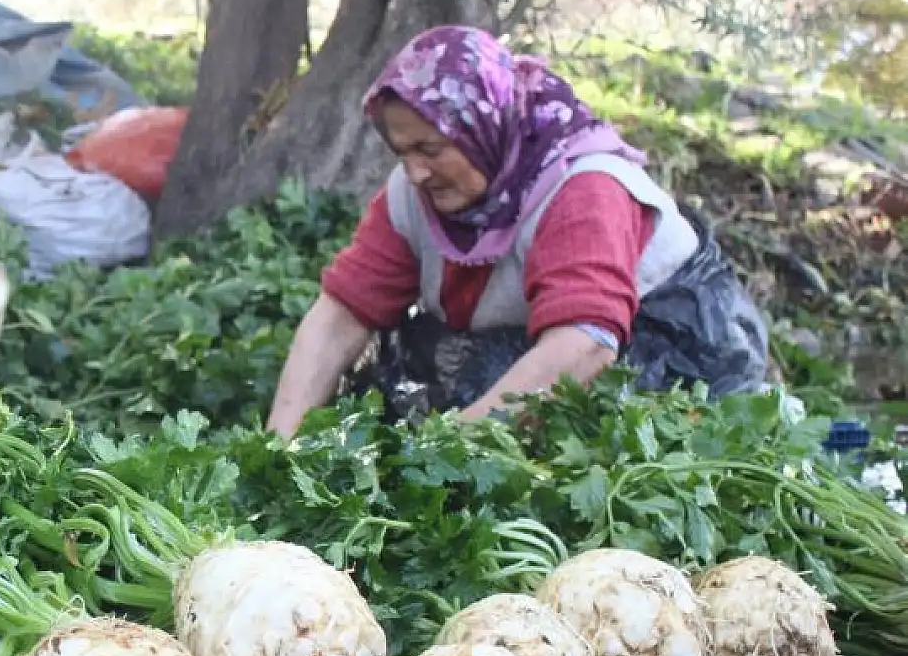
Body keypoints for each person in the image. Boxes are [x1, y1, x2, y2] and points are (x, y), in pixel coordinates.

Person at [266, 25, 768, 438]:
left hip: (675, 354)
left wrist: (453, 448)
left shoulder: (583, 188)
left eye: (431, 149)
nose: (415, 171)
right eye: (402, 151)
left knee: (497, 393)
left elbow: (584, 343)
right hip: (537, 340)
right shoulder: (412, 193)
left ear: (482, 129)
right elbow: (341, 316)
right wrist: (280, 446)